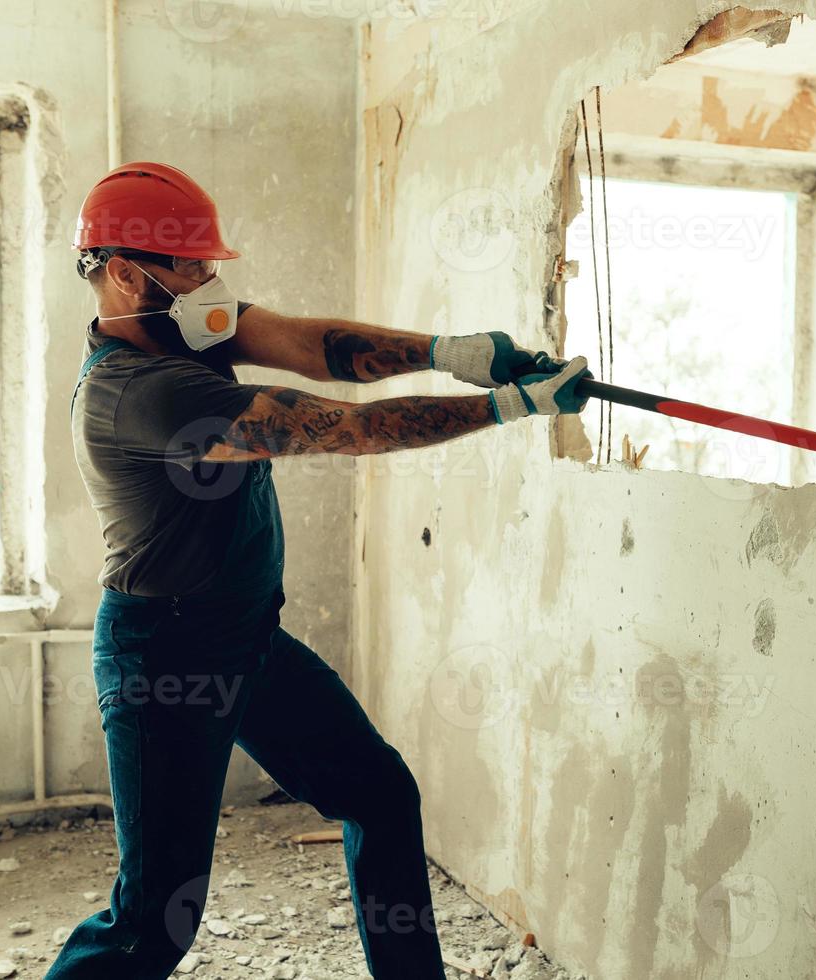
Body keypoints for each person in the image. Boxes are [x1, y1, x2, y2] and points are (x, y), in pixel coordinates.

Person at [48, 161, 589, 979]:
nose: (211, 277)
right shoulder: (140, 391)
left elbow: (310, 347)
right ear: (126, 273)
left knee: (379, 796)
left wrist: (457, 352)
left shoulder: (187, 322)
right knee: (154, 915)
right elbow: (347, 430)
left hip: (245, 638)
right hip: (166, 656)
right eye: (191, 263)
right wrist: (510, 407)